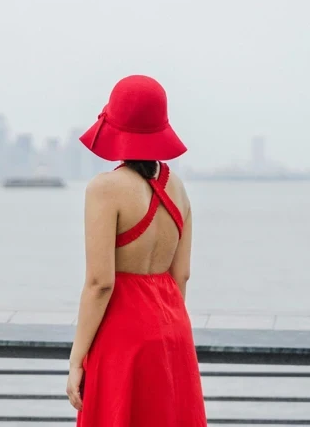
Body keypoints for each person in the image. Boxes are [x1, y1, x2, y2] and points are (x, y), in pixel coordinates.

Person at [66, 75, 207, 426]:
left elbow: (100, 283)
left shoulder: (105, 188)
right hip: (172, 333)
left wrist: (75, 360)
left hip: (123, 339)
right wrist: (164, 329)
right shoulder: (178, 188)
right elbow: (181, 275)